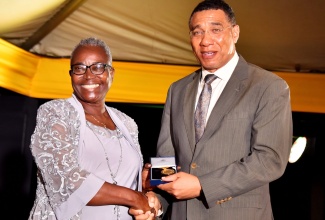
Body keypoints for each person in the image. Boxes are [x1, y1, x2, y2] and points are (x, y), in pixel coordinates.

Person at [134, 0, 293, 219]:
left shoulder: (268, 86)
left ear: (235, 33)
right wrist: (157, 202)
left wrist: (202, 185)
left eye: (216, 30)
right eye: (197, 32)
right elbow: (167, 159)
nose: (206, 41)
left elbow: (270, 159)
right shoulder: (177, 90)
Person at [28, 37, 157, 220]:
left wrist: (146, 189)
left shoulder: (127, 123)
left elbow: (124, 179)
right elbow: (67, 180)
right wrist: (135, 198)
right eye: (79, 68)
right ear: (71, 74)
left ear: (111, 73)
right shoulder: (56, 113)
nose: (88, 76)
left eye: (98, 67)